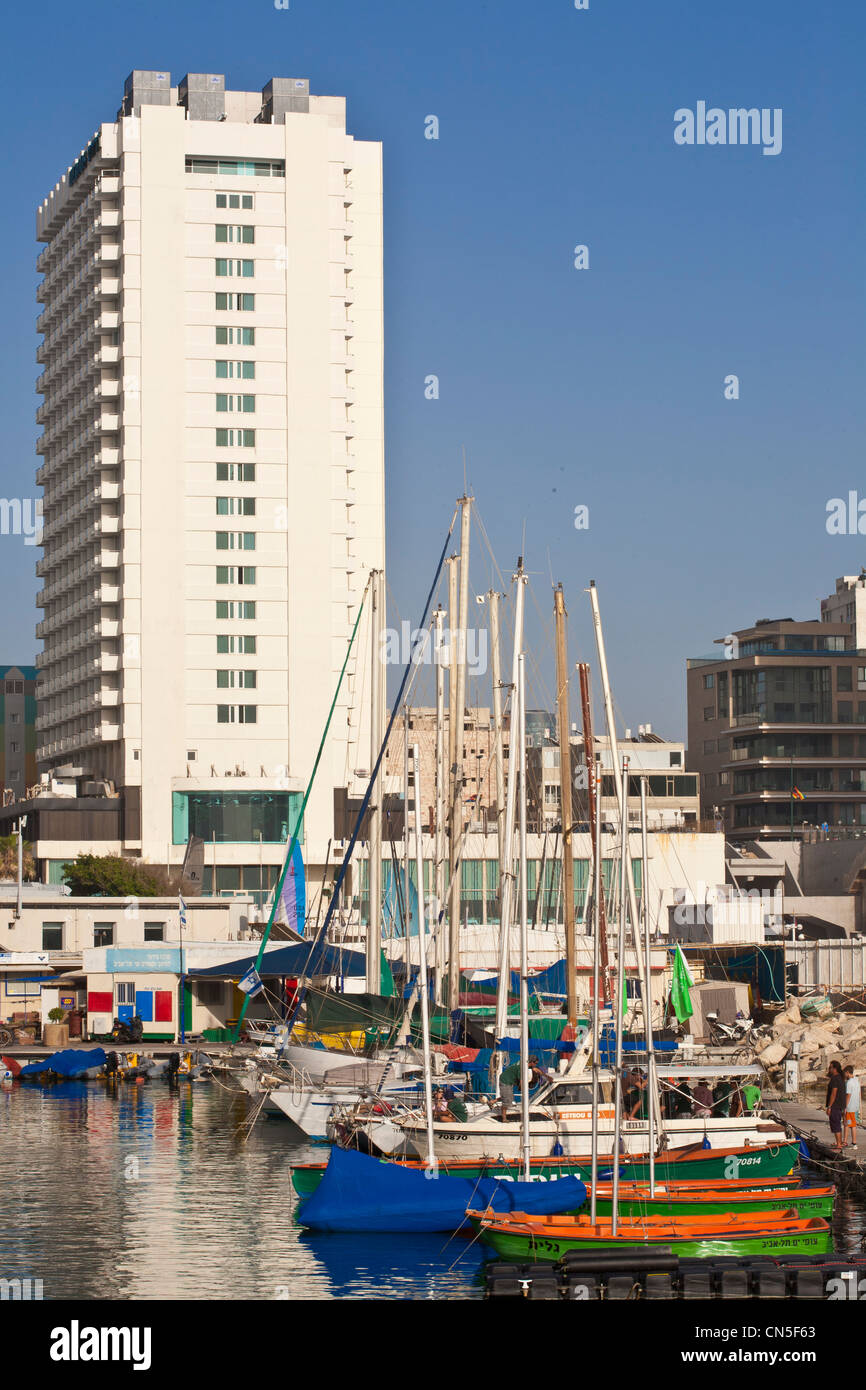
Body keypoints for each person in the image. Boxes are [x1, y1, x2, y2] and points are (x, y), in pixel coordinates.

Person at [825, 1061, 847, 1151]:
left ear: (835, 1069)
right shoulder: (840, 1078)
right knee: (837, 1124)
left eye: (830, 1068)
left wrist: (829, 1106)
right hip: (840, 1105)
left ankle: (838, 1144)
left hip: (835, 1105)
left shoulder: (835, 1079)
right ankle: (839, 1142)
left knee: (835, 1124)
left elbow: (833, 1093)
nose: (829, 1070)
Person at [843, 1065, 861, 1149]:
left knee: (850, 1125)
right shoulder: (856, 1080)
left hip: (850, 1108)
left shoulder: (849, 1083)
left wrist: (845, 1107)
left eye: (845, 1073)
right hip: (856, 1107)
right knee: (850, 1124)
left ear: (847, 1072)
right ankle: (846, 1141)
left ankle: (853, 1143)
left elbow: (848, 1095)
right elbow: (859, 1094)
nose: (844, 1075)